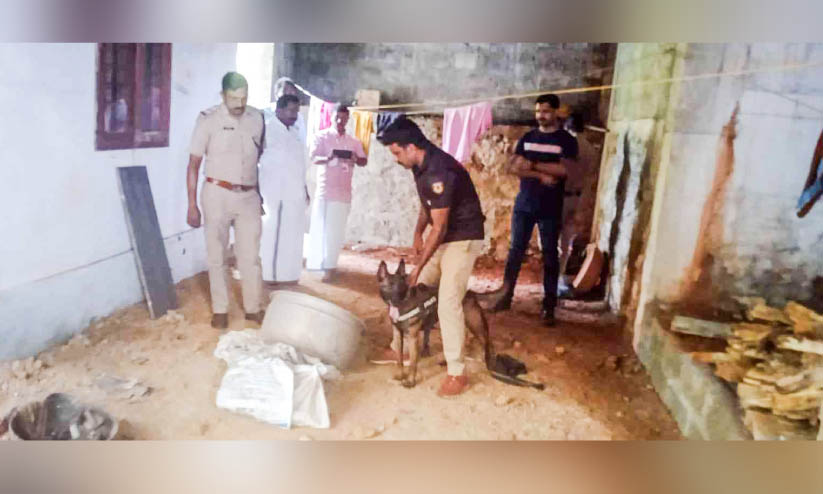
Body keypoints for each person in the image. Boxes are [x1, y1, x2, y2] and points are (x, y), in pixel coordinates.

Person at [375, 117, 486, 397]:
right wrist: (417, 232)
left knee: (447, 300)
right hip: (446, 236)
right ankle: (401, 347)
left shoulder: (439, 170)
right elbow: (428, 206)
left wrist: (418, 264)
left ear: (411, 147)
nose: (396, 159)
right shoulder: (419, 166)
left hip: (463, 237)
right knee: (417, 288)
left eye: (397, 153)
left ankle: (457, 372)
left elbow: (440, 227)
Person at [489, 94, 578, 326]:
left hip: (550, 206)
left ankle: (549, 306)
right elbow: (513, 167)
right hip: (525, 204)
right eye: (538, 111)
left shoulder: (566, 140)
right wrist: (539, 174)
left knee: (550, 254)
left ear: (556, 112)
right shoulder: (528, 137)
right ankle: (505, 297)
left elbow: (564, 170)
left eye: (546, 111)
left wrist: (532, 164)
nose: (541, 116)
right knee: (515, 251)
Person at [186, 72, 266, 329]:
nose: (239, 104)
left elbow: (256, 160)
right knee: (216, 254)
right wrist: (191, 205)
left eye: (244, 98)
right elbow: (193, 165)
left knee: (250, 256)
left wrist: (259, 195)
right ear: (222, 95)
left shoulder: (257, 118)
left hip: (249, 196)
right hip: (217, 194)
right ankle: (220, 309)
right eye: (233, 98)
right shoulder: (208, 120)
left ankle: (253, 308)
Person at [305, 103, 368, 282]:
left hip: (343, 193)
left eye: (344, 118)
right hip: (325, 192)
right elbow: (313, 157)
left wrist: (355, 158)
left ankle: (330, 267)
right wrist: (329, 158)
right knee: (322, 230)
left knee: (336, 232)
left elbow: (364, 161)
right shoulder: (322, 137)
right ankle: (318, 265)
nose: (340, 121)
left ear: (348, 119)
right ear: (331, 117)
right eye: (337, 118)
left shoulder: (353, 142)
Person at [259, 94, 309, 284]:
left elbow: (299, 164)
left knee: (292, 235)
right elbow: (254, 159)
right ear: (279, 110)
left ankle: (289, 275)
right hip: (274, 192)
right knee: (272, 234)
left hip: (294, 193)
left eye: (297, 111)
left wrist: (304, 189)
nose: (294, 115)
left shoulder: (295, 132)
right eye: (291, 110)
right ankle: (269, 276)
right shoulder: (267, 130)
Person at [272, 77, 307, 145]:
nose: (289, 95)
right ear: (276, 94)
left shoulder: (299, 117)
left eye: (292, 92)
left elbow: (302, 141)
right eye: (286, 92)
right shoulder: (265, 113)